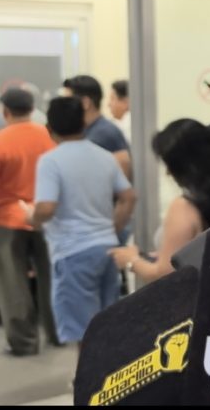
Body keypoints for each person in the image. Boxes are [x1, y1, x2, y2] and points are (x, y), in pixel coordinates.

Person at [25, 96, 135, 351]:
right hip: (107, 249)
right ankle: (108, 374)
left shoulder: (51, 161)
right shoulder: (104, 157)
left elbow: (46, 207)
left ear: (49, 128)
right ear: (84, 123)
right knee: (106, 326)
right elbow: (129, 197)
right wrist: (113, 228)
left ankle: (85, 376)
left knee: (83, 332)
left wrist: (32, 218)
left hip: (72, 252)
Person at [109, 119, 210, 283]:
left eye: (170, 166)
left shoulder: (184, 207)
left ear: (183, 166)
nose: (168, 173)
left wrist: (131, 261)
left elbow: (165, 274)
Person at [0, 88, 59, 356]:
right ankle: (58, 332)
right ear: (32, 109)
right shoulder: (49, 137)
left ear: (6, 111)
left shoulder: (1, 141)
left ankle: (24, 342)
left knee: (14, 283)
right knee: (51, 277)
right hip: (47, 217)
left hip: (8, 221)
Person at [61, 75, 131, 180]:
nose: (63, 108)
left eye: (68, 102)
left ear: (85, 103)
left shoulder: (105, 134)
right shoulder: (88, 131)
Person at [108, 80, 131, 145]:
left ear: (126, 102)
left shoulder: (129, 127)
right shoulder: (117, 123)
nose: (109, 104)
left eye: (112, 99)